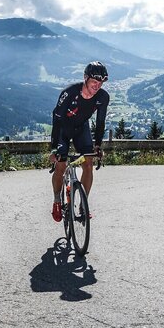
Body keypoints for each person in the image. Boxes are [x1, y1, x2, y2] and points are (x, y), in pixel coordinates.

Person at [48, 61, 110, 222]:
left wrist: (98, 145)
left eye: (100, 83)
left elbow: (100, 122)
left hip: (81, 129)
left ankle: (83, 205)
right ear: (85, 78)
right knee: (61, 165)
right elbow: (57, 119)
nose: (97, 86)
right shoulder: (69, 93)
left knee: (88, 164)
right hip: (63, 129)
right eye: (94, 82)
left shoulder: (103, 97)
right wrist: (54, 148)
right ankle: (56, 201)